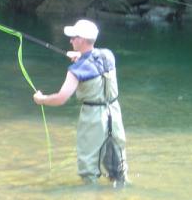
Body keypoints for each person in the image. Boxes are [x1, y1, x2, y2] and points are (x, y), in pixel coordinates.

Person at [33, 19, 128, 186]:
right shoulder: (108, 55)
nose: (70, 41)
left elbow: (61, 98)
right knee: (118, 165)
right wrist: (82, 56)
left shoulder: (77, 70)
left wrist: (41, 100)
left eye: (73, 37)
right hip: (114, 113)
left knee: (88, 168)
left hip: (93, 118)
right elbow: (94, 58)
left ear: (82, 40)